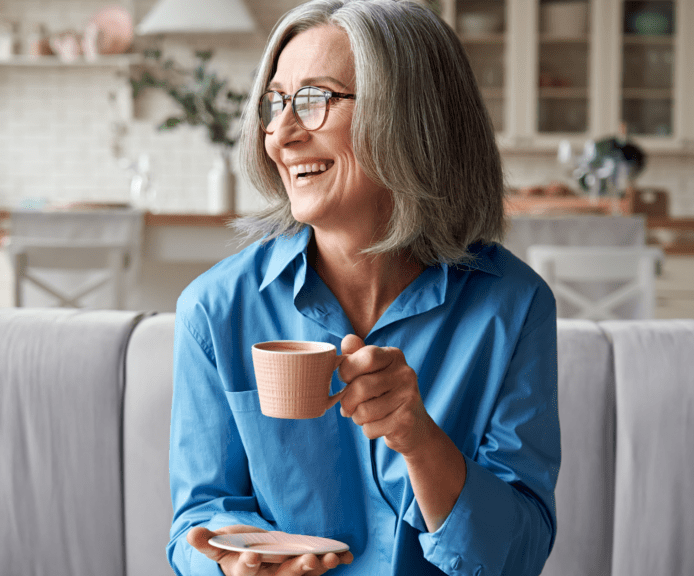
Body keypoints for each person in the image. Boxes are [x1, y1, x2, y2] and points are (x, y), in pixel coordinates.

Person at [168, 1, 560, 574]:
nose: (280, 133)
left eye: (315, 99)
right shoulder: (215, 310)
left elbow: (516, 556)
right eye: (276, 102)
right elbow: (199, 520)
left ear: (412, 116)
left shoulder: (513, 308)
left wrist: (420, 439)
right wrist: (231, 563)